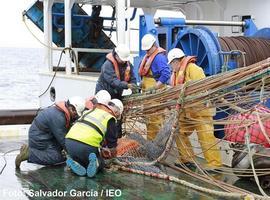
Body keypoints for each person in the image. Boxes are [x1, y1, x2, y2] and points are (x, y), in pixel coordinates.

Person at [167, 48, 222, 169]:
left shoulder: (193, 69)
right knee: (179, 131)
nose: (171, 67)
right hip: (187, 111)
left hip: (199, 109)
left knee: (205, 136)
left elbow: (201, 88)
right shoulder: (176, 73)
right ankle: (186, 158)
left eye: (171, 64)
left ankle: (214, 163)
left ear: (176, 61)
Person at [15, 96, 85, 168]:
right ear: (71, 108)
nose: (75, 117)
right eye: (76, 114)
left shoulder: (59, 112)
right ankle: (29, 154)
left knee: (61, 151)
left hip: (43, 135)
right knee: (59, 158)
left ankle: (30, 150)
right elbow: (63, 140)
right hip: (39, 139)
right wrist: (75, 158)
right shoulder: (58, 118)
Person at [65, 99, 124, 177]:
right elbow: (111, 144)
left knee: (82, 159)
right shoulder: (110, 118)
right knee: (101, 161)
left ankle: (75, 162)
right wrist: (113, 157)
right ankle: (97, 164)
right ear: (116, 112)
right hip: (87, 146)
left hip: (69, 142)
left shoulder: (90, 111)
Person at [139, 33, 171, 140]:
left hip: (155, 95)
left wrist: (155, 87)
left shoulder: (159, 58)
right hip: (147, 95)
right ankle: (150, 144)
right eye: (145, 50)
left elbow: (166, 74)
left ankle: (155, 146)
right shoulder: (148, 57)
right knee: (149, 120)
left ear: (154, 45)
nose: (146, 52)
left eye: (148, 49)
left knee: (155, 120)